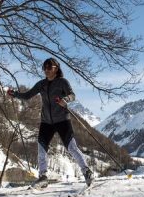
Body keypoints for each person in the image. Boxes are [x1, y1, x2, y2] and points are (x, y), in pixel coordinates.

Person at [7, 58, 93, 188]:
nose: (46, 70)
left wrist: (65, 99)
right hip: (46, 121)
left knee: (71, 147)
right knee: (41, 148)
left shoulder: (62, 82)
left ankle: (86, 171)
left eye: (49, 67)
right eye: (44, 67)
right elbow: (27, 95)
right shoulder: (41, 84)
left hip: (62, 120)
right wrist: (15, 94)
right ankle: (43, 177)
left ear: (56, 68)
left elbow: (72, 95)